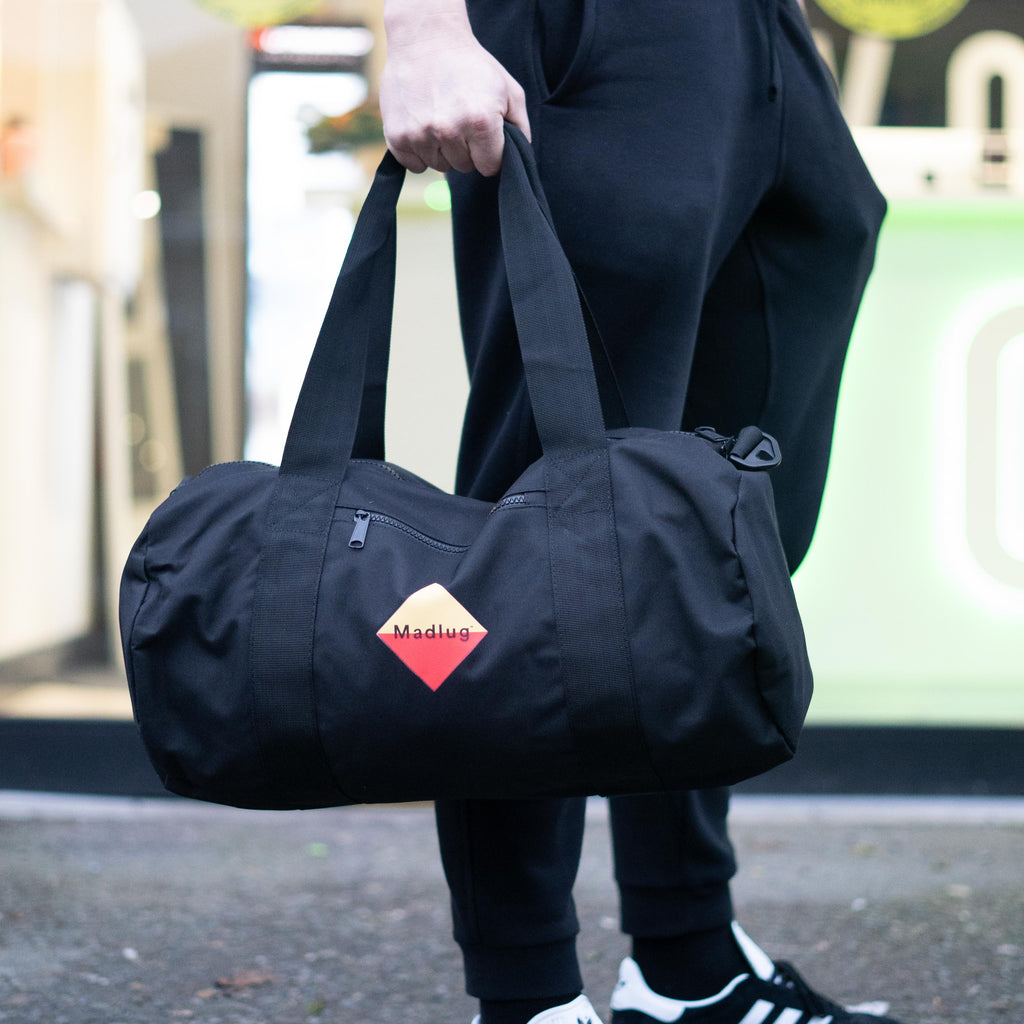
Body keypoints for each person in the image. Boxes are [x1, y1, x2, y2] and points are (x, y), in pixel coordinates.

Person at [380, 2, 895, 1023]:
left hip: (755, 33)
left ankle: (686, 960)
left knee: (708, 530)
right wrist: (425, 28)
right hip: (589, 29)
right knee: (536, 543)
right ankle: (525, 988)